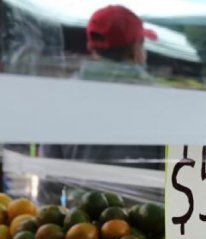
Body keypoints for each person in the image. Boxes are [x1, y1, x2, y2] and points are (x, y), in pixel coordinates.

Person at [40, 5, 163, 203]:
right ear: (135, 51)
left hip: (80, 227)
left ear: (92, 47)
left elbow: (48, 180)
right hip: (145, 225)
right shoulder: (158, 99)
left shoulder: (63, 97)